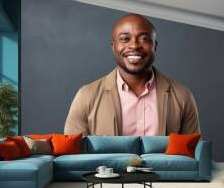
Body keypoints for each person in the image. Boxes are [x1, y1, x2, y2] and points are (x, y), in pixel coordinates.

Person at [64, 14, 200, 136]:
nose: (134, 45)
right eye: (125, 39)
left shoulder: (182, 96)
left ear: (155, 46)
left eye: (144, 39)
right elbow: (74, 157)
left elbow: (193, 155)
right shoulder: (86, 96)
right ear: (113, 46)